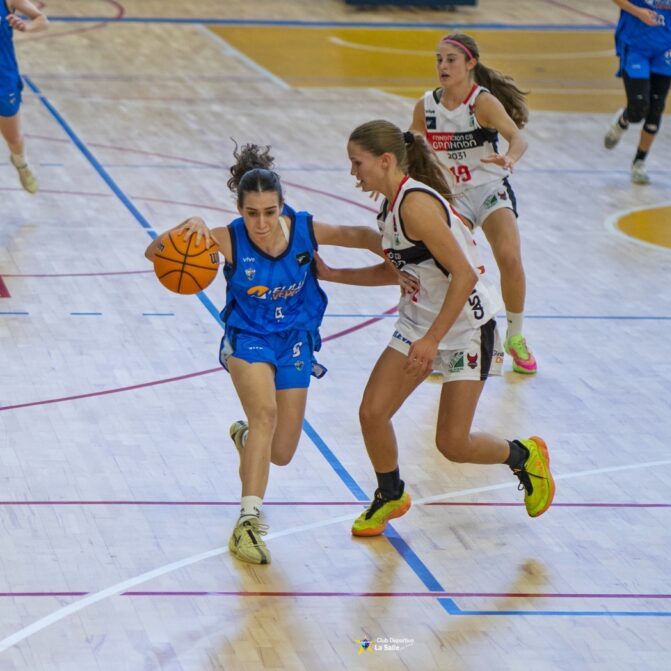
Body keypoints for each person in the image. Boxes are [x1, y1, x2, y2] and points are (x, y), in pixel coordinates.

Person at [145, 144, 390, 565]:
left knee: (282, 452)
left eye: (269, 211)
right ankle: (247, 524)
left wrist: (402, 258)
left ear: (282, 206)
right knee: (265, 415)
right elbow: (154, 253)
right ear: (239, 209)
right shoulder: (226, 238)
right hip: (248, 337)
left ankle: (245, 440)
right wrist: (189, 227)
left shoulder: (305, 230)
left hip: (294, 336)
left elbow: (362, 236)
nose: (261, 222)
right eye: (251, 212)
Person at [320, 120, 555, 538]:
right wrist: (334, 274)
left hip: (466, 327)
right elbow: (399, 272)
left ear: (385, 160)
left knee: (452, 444)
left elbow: (463, 276)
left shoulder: (415, 205)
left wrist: (432, 340)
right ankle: (390, 493)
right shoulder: (390, 206)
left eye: (357, 164)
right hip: (418, 323)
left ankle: (524, 455)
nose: (353, 173)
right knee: (373, 412)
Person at [410, 32, 537, 376]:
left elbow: (518, 137)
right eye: (439, 59)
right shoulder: (426, 106)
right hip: (452, 198)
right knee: (449, 267)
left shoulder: (482, 102)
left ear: (470, 64)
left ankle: (515, 336)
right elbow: (411, 148)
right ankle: (446, 342)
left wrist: (509, 157)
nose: (443, 66)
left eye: (451, 59)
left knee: (509, 257)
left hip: (488, 188)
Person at [604, 0, 671, 184]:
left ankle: (639, 162)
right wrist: (638, 12)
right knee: (638, 108)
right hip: (635, 44)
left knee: (656, 107)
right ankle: (623, 120)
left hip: (667, 47)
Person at [2, 0, 47, 193]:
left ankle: (21, 164)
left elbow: (42, 19)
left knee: (14, 138)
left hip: (3, 79)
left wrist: (27, 26)